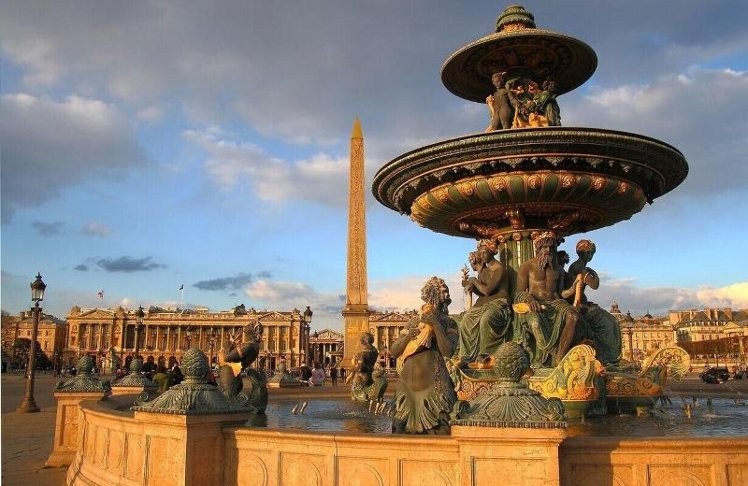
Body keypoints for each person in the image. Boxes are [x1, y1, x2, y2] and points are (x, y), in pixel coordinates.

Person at [391, 277, 458, 434]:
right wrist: (408, 337)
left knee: (440, 431)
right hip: (406, 388)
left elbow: (448, 351)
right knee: (400, 435)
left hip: (434, 388)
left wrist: (436, 325)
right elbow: (395, 351)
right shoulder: (414, 322)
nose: (447, 296)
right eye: (444, 292)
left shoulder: (449, 323)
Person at [514, 232, 580, 367]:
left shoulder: (558, 269)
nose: (548, 250)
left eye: (551, 247)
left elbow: (560, 293)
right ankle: (552, 353)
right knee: (535, 322)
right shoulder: (526, 267)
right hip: (535, 305)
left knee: (573, 316)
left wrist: (572, 289)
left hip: (556, 303)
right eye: (544, 247)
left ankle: (559, 358)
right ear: (538, 248)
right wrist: (529, 298)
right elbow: (519, 293)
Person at [564, 239, 622, 367]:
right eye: (589, 253)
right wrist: (594, 273)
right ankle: (610, 358)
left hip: (582, 304)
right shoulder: (580, 267)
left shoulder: (577, 266)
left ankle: (609, 357)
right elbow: (595, 285)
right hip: (580, 306)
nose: (590, 256)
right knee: (611, 323)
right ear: (581, 253)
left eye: (591, 253)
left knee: (612, 322)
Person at [457, 239, 512, 366]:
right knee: (466, 319)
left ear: (492, 252)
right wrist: (472, 287)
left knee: (486, 318)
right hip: (485, 303)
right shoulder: (485, 270)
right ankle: (467, 357)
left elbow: (488, 290)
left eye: (484, 253)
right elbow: (482, 292)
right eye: (479, 253)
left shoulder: (499, 269)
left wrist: (474, 281)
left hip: (499, 303)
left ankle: (487, 356)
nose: (481, 256)